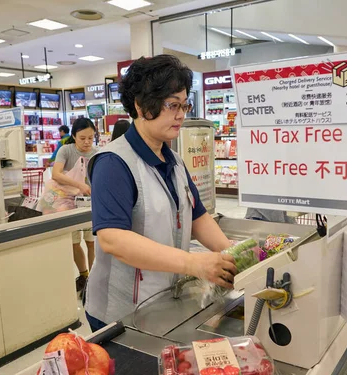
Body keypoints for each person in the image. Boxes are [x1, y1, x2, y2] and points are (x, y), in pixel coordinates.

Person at [85, 55, 236, 332]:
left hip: (161, 302)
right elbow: (113, 239)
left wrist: (232, 254)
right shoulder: (113, 163)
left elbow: (198, 216)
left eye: (184, 105)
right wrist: (194, 263)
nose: (181, 114)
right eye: (172, 105)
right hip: (120, 314)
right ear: (141, 107)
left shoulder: (174, 161)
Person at [53, 118, 98, 292]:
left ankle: (93, 279)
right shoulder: (66, 150)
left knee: (92, 242)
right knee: (73, 242)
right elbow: (56, 174)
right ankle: (84, 274)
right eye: (82, 138)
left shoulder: (97, 153)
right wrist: (79, 185)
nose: (87, 142)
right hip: (68, 203)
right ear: (74, 136)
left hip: (90, 204)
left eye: (90, 137)